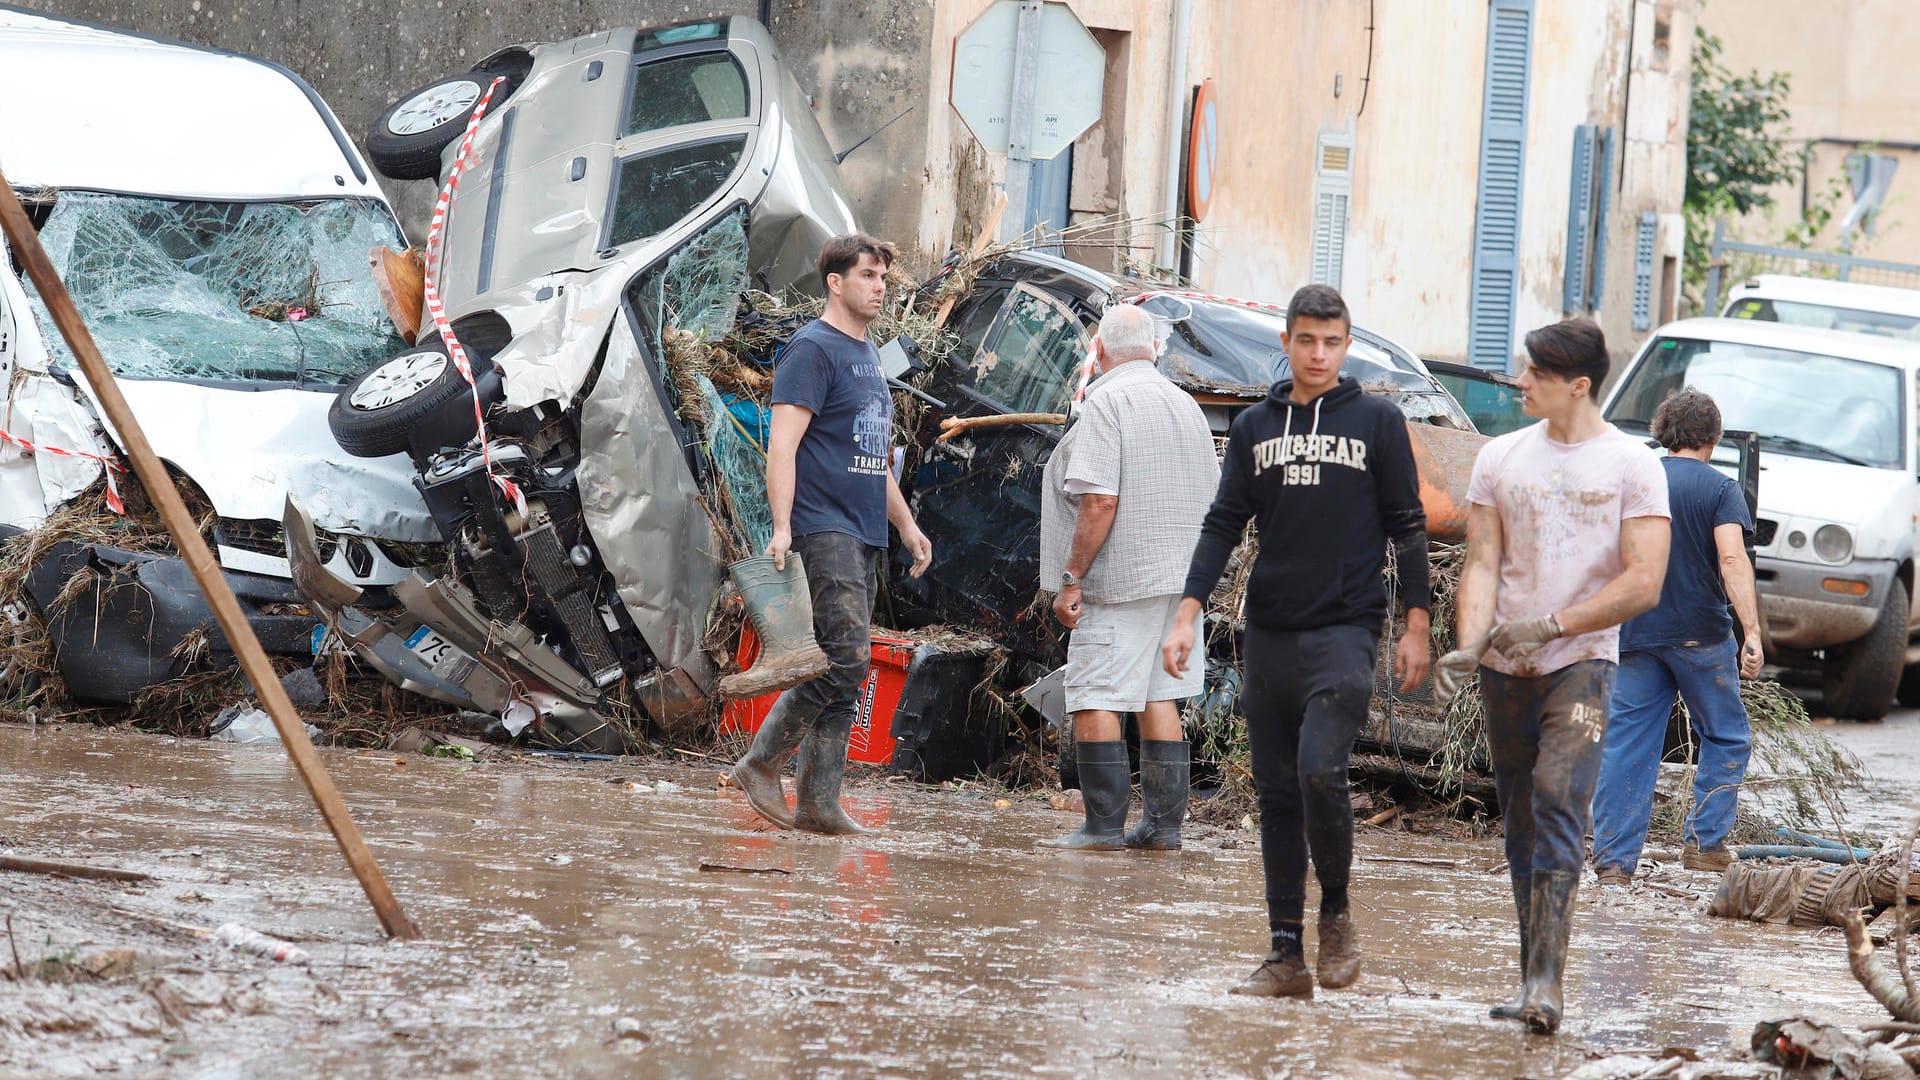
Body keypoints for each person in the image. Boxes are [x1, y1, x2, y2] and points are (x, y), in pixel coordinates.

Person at [1162, 284, 1431, 1000]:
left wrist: (1416, 622)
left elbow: (1408, 524)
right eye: (1306, 340)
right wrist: (1188, 610)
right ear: (1286, 342)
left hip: (1345, 628)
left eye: (1331, 342)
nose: (1318, 354)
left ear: (1346, 347)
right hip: (1271, 632)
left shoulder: (1377, 421)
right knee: (1278, 793)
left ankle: (1336, 910)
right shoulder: (1254, 426)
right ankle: (1286, 954)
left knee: (1320, 769)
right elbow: (1223, 522)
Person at [1432, 318, 1670, 1035]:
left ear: (1579, 385)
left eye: (1533, 373)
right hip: (1506, 667)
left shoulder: (1633, 466)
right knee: (1522, 823)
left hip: (1583, 664)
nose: (1520, 382)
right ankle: (1531, 970)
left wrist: (1557, 625)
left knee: (1559, 799)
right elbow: (1481, 562)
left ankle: (1547, 984)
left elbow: (1646, 581)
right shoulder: (1500, 458)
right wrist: (1467, 644)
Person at [726, 234, 934, 835]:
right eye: (868, 275)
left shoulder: (868, 355)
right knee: (843, 662)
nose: (879, 287)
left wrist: (907, 525)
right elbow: (782, 446)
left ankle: (819, 803)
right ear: (835, 282)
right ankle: (761, 762)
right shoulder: (812, 351)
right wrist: (784, 526)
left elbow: (872, 456)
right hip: (825, 527)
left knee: (846, 669)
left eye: (885, 278)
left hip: (864, 527)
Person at [1035, 303, 1220, 851]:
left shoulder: (1107, 401)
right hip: (1182, 580)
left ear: (1102, 350)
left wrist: (1072, 579)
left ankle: (1102, 827)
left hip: (1121, 581)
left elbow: (1099, 501)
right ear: (1155, 350)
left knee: (1095, 694)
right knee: (1158, 697)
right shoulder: (1186, 404)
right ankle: (1164, 829)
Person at [1591, 388, 1762, 884]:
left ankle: (1614, 863)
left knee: (1627, 744)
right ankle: (1705, 844)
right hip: (1701, 638)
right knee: (1726, 735)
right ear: (1713, 437)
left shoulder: (1635, 481)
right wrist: (1751, 630)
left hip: (1636, 632)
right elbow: (1731, 559)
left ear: (1664, 431)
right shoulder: (1721, 489)